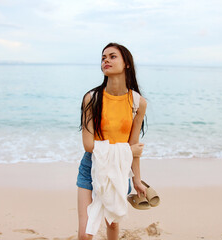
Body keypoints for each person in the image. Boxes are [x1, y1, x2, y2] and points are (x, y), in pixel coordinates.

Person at [77, 42, 147, 240]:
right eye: (103, 57)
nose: (106, 60)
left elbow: (134, 145)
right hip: (91, 166)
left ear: (126, 64)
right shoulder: (91, 98)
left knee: (113, 225)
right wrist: (127, 151)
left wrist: (137, 179)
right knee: (85, 234)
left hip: (119, 169)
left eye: (112, 56)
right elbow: (89, 145)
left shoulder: (137, 102)